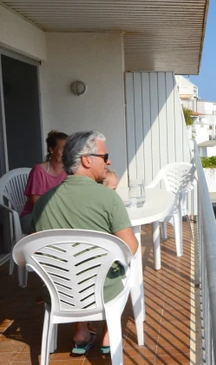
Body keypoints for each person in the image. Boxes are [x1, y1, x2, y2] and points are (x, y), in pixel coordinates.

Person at [32, 130, 138, 356]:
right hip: (100, 292)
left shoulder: (42, 204)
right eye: (104, 156)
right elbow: (131, 247)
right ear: (86, 160)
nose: (109, 162)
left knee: (69, 265)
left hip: (59, 292)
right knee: (129, 265)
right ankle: (109, 334)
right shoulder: (108, 198)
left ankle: (80, 332)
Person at [21, 131, 68, 233]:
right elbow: (37, 204)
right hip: (34, 216)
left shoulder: (70, 171)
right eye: (62, 149)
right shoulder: (38, 170)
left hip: (60, 216)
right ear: (51, 149)